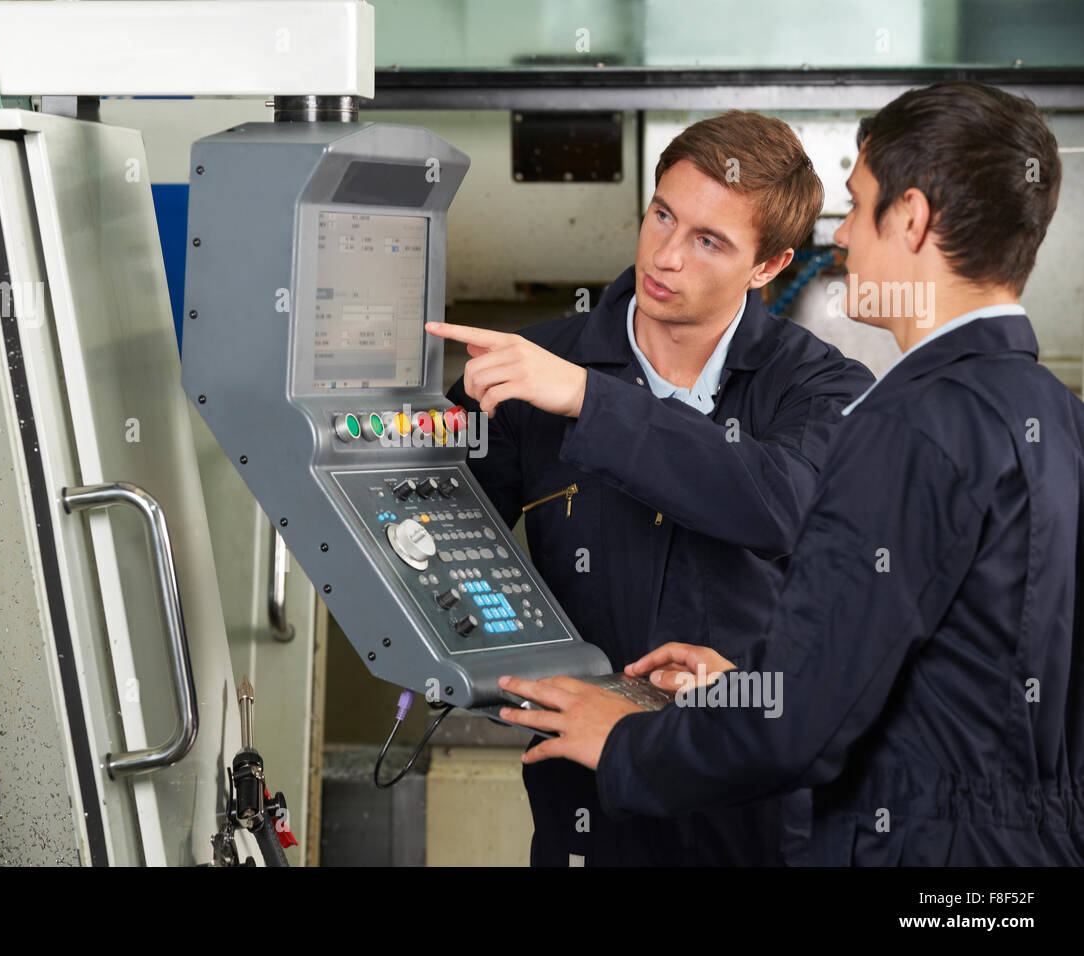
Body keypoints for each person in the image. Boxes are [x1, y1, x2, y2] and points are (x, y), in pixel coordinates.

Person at [495, 81, 1082, 866]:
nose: (840, 239)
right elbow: (899, 684)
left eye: (858, 203)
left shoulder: (900, 425)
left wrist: (627, 739)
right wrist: (740, 687)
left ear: (909, 218)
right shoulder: (1058, 416)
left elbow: (801, 725)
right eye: (663, 216)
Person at [430, 110, 874, 866]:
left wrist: (588, 401)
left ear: (768, 266)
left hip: (757, 818)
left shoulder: (822, 388)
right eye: (662, 216)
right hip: (588, 811)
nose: (666, 257)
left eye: (709, 241)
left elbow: (774, 502)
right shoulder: (532, 368)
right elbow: (437, 542)